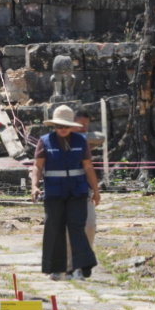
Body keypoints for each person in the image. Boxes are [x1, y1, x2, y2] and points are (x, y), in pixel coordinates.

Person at [30, 105, 100, 281]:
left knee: (82, 228)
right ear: (54, 125)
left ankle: (78, 268)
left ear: (71, 126)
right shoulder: (44, 141)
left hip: (78, 191)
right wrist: (34, 186)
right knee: (55, 230)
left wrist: (96, 190)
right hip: (55, 193)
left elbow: (88, 167)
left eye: (66, 126)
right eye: (59, 126)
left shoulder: (81, 141)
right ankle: (57, 269)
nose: (63, 129)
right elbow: (38, 166)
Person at [67, 109, 101, 279]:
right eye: (81, 126)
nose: (85, 129)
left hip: (84, 191)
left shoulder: (85, 142)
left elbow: (100, 137)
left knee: (89, 227)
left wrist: (96, 190)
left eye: (87, 126)